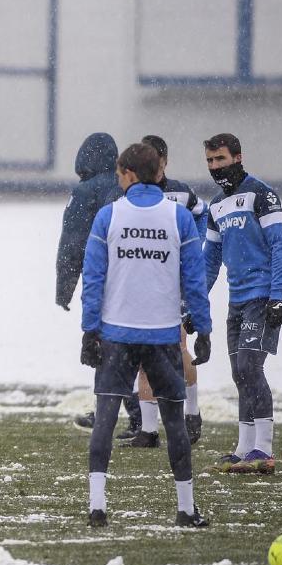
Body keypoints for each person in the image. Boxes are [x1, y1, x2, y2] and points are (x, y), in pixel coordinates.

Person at [80, 143, 212, 528]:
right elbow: (194, 278)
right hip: (162, 335)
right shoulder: (179, 218)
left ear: (129, 174)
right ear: (158, 173)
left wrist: (90, 330)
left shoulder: (108, 216)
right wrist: (202, 327)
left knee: (105, 418)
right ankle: (186, 509)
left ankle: (97, 506)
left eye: (120, 173)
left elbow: (94, 279)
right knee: (174, 424)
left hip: (117, 334)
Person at [201, 133, 282, 475]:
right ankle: (243, 449)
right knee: (240, 374)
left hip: (262, 296)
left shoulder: (262, 195)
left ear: (238, 157)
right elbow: (209, 262)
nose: (215, 167)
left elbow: (280, 247)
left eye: (220, 160)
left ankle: (264, 450)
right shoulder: (215, 206)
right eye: (210, 161)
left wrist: (279, 296)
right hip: (236, 301)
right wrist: (194, 304)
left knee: (251, 368)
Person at [121, 135, 208, 448]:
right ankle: (148, 429)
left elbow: (202, 214)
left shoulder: (180, 194)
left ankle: (193, 412)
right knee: (146, 356)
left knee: (178, 347)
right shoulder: (129, 199)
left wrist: (193, 247)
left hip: (174, 285)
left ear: (164, 162)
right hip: (145, 285)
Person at [54, 132, 141, 438]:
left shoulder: (84, 192)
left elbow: (72, 244)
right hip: (131, 278)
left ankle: (117, 411)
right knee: (132, 347)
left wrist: (64, 288)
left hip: (101, 280)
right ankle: (141, 411)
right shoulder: (125, 187)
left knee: (103, 348)